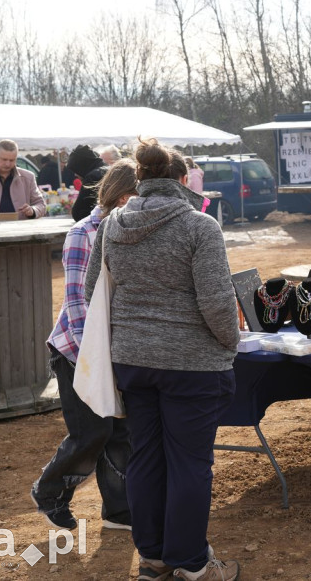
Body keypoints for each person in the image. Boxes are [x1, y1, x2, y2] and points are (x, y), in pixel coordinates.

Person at [85, 139, 241, 581]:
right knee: (189, 463)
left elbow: (93, 290)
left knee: (146, 458)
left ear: (139, 178)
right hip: (192, 364)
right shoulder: (199, 225)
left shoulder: (112, 224)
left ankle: (154, 558)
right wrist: (231, 344)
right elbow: (217, 302)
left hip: (133, 361)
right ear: (183, 179)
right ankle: (192, 563)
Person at [32, 159, 139, 532]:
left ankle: (119, 511)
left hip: (111, 351)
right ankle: (49, 492)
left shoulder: (129, 229)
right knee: (92, 432)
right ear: (123, 197)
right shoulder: (83, 233)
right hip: (77, 352)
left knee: (120, 432)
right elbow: (78, 303)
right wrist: (92, 361)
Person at [68, 144, 109, 222]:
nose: (75, 175)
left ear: (82, 166)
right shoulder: (109, 170)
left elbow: (79, 212)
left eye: (76, 170)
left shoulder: (93, 177)